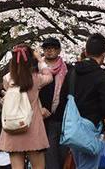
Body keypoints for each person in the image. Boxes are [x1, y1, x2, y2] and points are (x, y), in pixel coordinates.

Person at [57, 33, 105, 169]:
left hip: (73, 127)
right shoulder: (102, 77)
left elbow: (62, 100)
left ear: (86, 51)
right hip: (90, 129)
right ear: (103, 55)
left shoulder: (72, 73)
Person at [0, 44, 52, 169]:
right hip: (32, 127)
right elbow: (49, 76)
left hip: (13, 126)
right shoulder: (36, 79)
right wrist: (40, 60)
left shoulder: (7, 79)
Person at [39, 37, 69, 169]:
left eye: (52, 48)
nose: (49, 51)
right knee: (49, 156)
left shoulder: (68, 69)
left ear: (59, 50)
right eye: (46, 48)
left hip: (63, 118)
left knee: (63, 154)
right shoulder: (37, 69)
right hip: (43, 117)